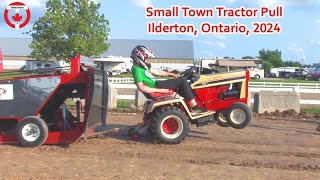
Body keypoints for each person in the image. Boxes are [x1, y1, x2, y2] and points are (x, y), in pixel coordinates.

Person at [130, 45, 208, 114]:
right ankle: (195, 107)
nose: (147, 60)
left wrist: (172, 74)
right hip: (157, 86)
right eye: (146, 58)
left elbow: (158, 72)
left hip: (158, 84)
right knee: (182, 81)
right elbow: (141, 87)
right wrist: (160, 91)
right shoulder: (136, 69)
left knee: (181, 84)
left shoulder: (143, 67)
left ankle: (189, 104)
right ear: (140, 57)